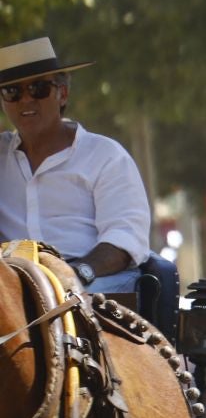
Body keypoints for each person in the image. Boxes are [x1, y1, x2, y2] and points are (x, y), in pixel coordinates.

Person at [0, 35, 151, 294]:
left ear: (62, 94)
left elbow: (124, 238)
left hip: (93, 280)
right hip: (11, 285)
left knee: (65, 302)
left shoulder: (106, 156)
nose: (26, 100)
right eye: (12, 91)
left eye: (38, 88)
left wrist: (75, 273)